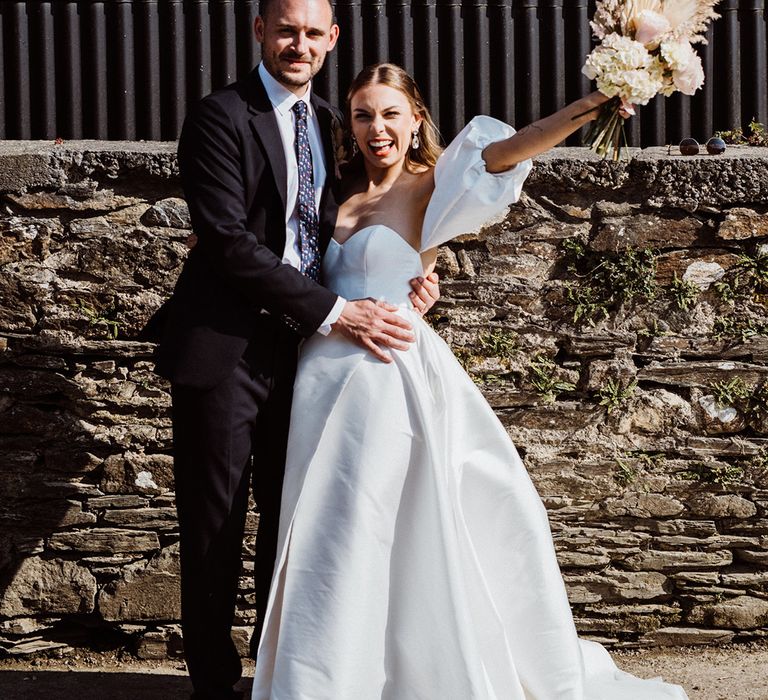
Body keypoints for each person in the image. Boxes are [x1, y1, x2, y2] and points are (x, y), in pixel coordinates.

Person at [250, 63, 689, 699]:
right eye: (365, 114)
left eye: (392, 114)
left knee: (389, 525)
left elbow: (519, 145)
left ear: (416, 120)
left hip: (387, 378)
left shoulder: (433, 188)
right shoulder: (332, 191)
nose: (379, 128)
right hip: (319, 381)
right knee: (330, 531)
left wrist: (605, 97)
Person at [153, 1, 439, 697]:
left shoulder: (328, 127)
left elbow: (353, 228)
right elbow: (226, 240)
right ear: (260, 32)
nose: (299, 44)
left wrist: (413, 284)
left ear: (332, 39)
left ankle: (277, 672)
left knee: (297, 523)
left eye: (314, 33)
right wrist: (340, 312)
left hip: (307, 356)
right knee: (216, 526)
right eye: (286, 30)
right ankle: (215, 685)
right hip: (226, 346)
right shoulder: (219, 116)